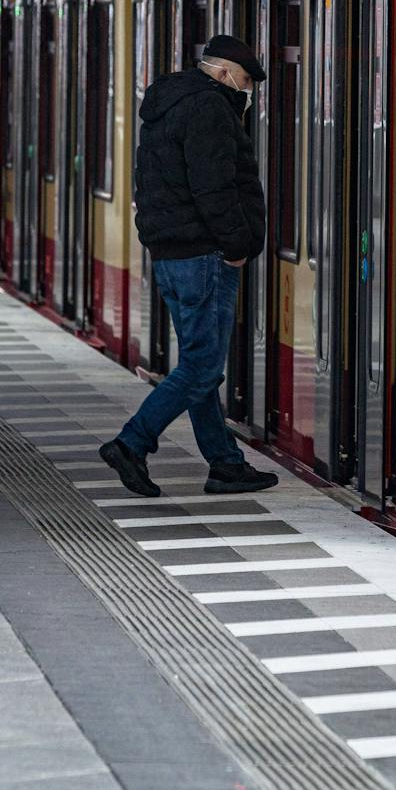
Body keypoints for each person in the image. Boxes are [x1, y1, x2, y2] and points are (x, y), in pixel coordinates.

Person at [100, 34, 278, 497]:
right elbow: (213, 186)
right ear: (222, 73)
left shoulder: (167, 103)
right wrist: (236, 244)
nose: (247, 91)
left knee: (202, 363)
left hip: (171, 254)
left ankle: (225, 463)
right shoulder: (209, 109)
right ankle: (132, 442)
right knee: (201, 366)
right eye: (244, 81)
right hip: (204, 256)